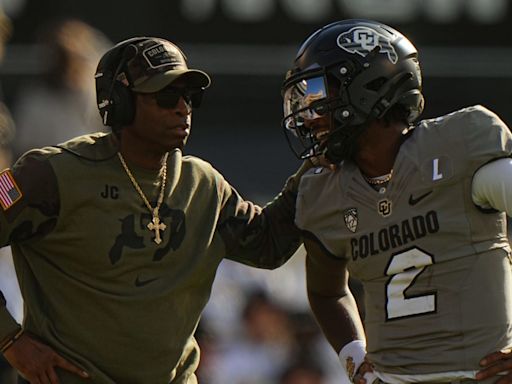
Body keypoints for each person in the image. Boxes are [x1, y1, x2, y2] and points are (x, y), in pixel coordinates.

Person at [0, 36, 310, 383]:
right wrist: (10, 339)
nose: (183, 107)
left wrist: (316, 170)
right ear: (119, 103)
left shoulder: (202, 184)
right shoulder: (53, 175)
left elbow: (268, 245)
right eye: (165, 95)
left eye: (189, 96)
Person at [280, 19, 512, 383]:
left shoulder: (459, 148)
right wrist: (355, 359)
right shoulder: (323, 192)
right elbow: (326, 292)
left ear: (365, 88)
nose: (308, 117)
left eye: (317, 93)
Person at [12, 18, 110, 159]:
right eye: (61, 58)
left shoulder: (97, 90)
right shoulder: (35, 100)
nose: (69, 67)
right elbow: (24, 149)